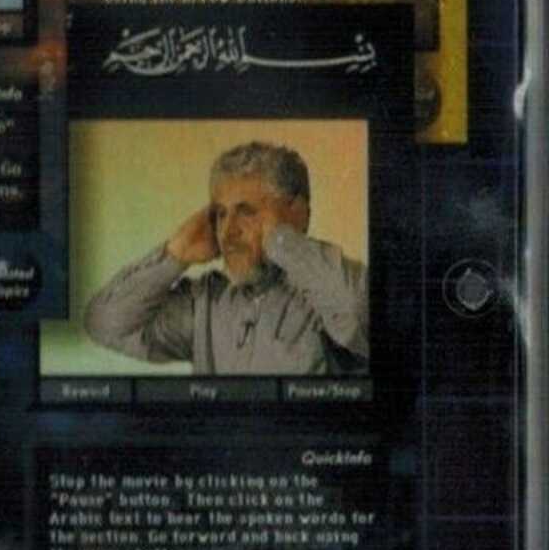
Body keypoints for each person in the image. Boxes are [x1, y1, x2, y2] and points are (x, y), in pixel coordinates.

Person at [83, 140, 367, 375]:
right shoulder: (205, 303)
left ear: (298, 212)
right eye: (220, 214)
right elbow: (105, 324)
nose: (228, 232)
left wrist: (283, 241)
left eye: (246, 212)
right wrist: (175, 254)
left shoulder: (325, 294)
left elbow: (358, 316)